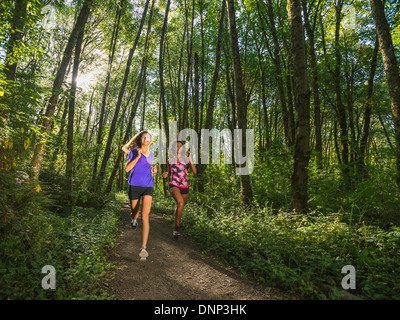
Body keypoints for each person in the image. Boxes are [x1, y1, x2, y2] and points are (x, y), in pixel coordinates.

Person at [122, 131, 157, 260]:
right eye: (143, 137)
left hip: (148, 186)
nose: (146, 139)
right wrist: (137, 156)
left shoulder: (152, 154)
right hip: (135, 186)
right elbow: (127, 169)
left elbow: (147, 168)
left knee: (145, 216)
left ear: (150, 140)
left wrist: (153, 170)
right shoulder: (134, 152)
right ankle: (133, 218)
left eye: (148, 137)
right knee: (135, 212)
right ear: (140, 140)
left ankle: (143, 248)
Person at [162, 140, 196, 239]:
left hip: (185, 186)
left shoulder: (186, 160)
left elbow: (194, 171)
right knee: (180, 202)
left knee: (180, 205)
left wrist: (190, 158)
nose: (179, 148)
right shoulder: (170, 161)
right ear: (173, 148)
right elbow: (169, 172)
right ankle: (177, 228)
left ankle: (176, 226)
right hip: (174, 185)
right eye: (177, 146)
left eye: (181, 146)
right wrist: (166, 174)